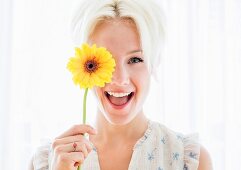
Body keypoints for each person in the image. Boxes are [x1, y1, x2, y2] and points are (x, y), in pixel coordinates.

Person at [30, 0, 212, 169]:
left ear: (154, 64)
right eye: (105, 60)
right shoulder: (48, 161)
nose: (119, 79)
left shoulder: (189, 160)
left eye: (135, 59)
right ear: (85, 64)